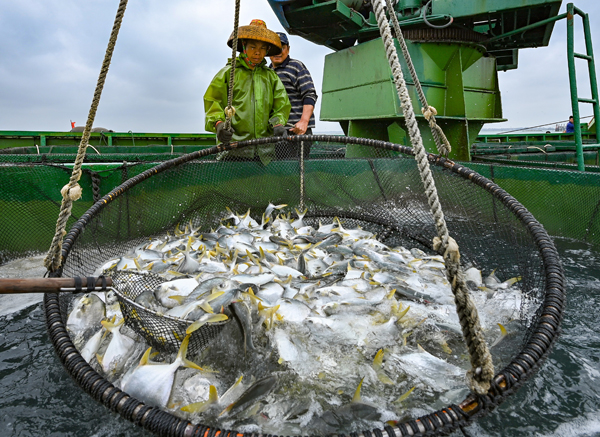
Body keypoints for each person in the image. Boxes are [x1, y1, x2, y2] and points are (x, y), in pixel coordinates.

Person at [204, 19, 291, 165]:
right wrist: (218, 124)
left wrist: (278, 123)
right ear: (244, 46)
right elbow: (213, 101)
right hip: (232, 151)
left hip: (264, 154)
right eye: (252, 47)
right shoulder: (228, 73)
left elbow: (281, 106)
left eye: (263, 48)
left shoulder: (271, 77)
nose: (258, 52)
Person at [269, 32, 318, 159]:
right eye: (274, 48)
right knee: (281, 172)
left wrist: (303, 122)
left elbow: (310, 94)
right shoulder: (266, 72)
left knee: (296, 172)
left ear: (288, 49)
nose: (278, 52)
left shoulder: (296, 66)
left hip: (297, 131)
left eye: (282, 48)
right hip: (277, 132)